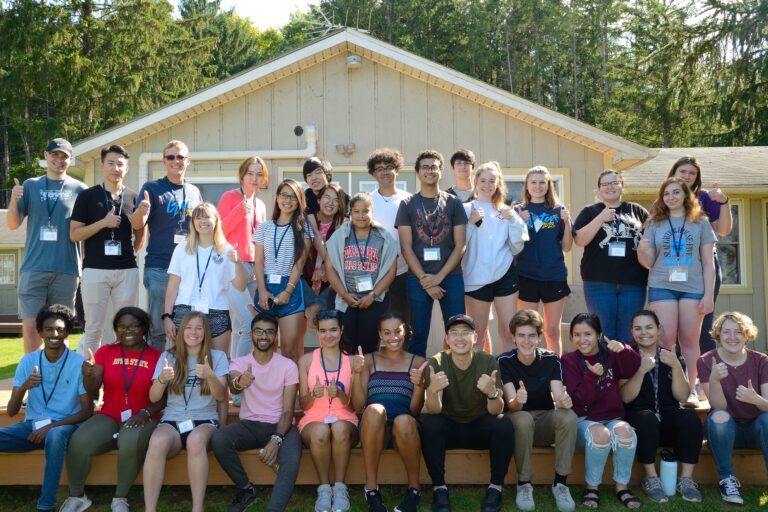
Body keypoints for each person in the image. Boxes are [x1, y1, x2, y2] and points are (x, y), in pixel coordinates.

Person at [60, 307, 163, 512]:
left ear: (144, 328)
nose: (128, 330)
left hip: (144, 417)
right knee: (79, 441)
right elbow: (92, 388)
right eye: (122, 327)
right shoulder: (106, 352)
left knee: (130, 440)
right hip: (110, 415)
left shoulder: (157, 356)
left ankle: (120, 498)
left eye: (134, 326)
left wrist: (145, 413)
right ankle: (78, 496)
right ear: (115, 330)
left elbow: (163, 398)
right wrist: (88, 374)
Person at [0, 305, 92, 512]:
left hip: (65, 428)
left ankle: (46, 505)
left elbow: (87, 412)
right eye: (49, 329)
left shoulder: (79, 363)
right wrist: (24, 387)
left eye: (60, 329)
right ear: (40, 332)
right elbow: (13, 411)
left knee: (55, 436)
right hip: (33, 428)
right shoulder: (28, 361)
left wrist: (50, 428)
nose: (54, 334)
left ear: (67, 332)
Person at [421, 314, 514, 512]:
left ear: (475, 336)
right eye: (454, 333)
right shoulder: (436, 362)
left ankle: (495, 488)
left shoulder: (488, 362)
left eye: (465, 333)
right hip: (449, 427)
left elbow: (496, 409)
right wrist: (432, 390)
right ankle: (439, 488)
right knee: (430, 424)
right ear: (447, 339)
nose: (459, 338)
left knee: (503, 424)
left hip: (478, 426)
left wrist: (492, 392)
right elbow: (434, 409)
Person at [211, 312, 301, 512]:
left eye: (269, 332)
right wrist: (238, 382)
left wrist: (276, 439)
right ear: (251, 334)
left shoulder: (288, 366)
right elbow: (234, 385)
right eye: (259, 331)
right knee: (219, 438)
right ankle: (246, 489)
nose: (264, 336)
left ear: (275, 336)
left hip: (281, 425)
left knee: (292, 459)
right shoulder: (240, 363)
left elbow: (288, 411)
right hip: (249, 425)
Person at [638, 177, 716, 406]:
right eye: (666, 193)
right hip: (662, 285)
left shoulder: (701, 222)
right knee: (665, 341)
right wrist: (642, 251)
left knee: (690, 342)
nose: (671, 197)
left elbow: (708, 263)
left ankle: (691, 390)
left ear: (685, 195)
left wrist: (709, 295)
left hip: (693, 288)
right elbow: (649, 262)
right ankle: (663, 392)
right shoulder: (655, 223)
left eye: (676, 192)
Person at [7, 138, 87, 353]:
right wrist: (14, 201)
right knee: (32, 327)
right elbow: (13, 224)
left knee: (61, 329)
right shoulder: (30, 185)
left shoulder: (80, 189)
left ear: (71, 160)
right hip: (34, 268)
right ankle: (34, 380)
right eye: (54, 155)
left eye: (64, 157)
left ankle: (60, 379)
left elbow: (86, 231)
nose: (59, 160)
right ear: (46, 155)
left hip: (67, 269)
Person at [143, 312, 229, 512]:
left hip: (205, 420)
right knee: (156, 442)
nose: (193, 332)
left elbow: (221, 396)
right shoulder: (168, 357)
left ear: (205, 332)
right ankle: (150, 509)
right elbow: (154, 398)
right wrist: (162, 379)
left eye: (199, 328)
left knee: (195, 440)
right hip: (173, 420)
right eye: (189, 327)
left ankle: (197, 508)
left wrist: (210, 375)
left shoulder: (217, 357)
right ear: (181, 332)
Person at [620, 309, 703, 503]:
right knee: (646, 418)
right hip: (639, 421)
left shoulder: (671, 357)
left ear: (659, 330)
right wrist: (641, 371)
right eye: (638, 328)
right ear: (632, 331)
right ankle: (651, 477)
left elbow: (682, 396)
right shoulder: (626, 357)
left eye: (649, 327)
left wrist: (675, 366)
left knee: (690, 417)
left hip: (667, 417)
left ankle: (686, 479)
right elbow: (625, 397)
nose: (644, 332)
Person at [497, 309, 577, 512]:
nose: (526, 341)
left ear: (539, 337)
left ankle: (561, 483)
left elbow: (558, 397)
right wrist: (518, 400)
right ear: (513, 337)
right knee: (522, 418)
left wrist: (564, 401)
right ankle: (524, 484)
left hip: (543, 420)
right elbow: (512, 405)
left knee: (568, 416)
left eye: (532, 335)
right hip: (518, 420)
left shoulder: (551, 359)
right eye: (521, 335)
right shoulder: (504, 361)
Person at [69, 145, 144, 357]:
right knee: (94, 328)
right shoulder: (88, 196)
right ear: (102, 166)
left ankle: (123, 375)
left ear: (127, 168)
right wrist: (103, 223)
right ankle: (89, 379)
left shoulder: (133, 197)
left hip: (126, 271)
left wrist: (131, 254)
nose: (115, 168)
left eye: (120, 164)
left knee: (127, 326)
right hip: (94, 270)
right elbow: (75, 234)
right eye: (110, 163)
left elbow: (140, 234)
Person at [561, 313, 641, 510]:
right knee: (600, 434)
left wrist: (624, 349)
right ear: (571, 337)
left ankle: (622, 486)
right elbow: (578, 401)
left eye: (588, 334)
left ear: (599, 335)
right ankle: (592, 487)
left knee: (626, 432)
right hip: (584, 421)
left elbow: (633, 367)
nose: (582, 339)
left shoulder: (611, 355)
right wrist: (591, 377)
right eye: (576, 335)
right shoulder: (569, 360)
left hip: (612, 417)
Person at [351, 312, 426, 512]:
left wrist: (419, 386)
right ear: (380, 335)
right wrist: (356, 373)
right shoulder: (368, 360)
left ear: (405, 331)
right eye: (387, 332)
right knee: (374, 409)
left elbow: (415, 410)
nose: (393, 337)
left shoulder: (418, 362)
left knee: (404, 420)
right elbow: (359, 406)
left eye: (397, 331)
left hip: (405, 430)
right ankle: (372, 489)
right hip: (374, 429)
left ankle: (414, 490)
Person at [396, 150, 468, 357]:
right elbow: (406, 248)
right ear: (418, 173)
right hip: (418, 278)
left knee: (457, 332)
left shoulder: (453, 203)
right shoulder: (407, 204)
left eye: (434, 167)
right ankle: (417, 384)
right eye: (425, 167)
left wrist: (438, 278)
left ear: (441, 171)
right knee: (418, 334)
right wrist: (425, 280)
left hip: (451, 277)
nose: (430, 171)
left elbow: (460, 244)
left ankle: (454, 380)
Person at [132, 140, 203, 350]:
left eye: (180, 157)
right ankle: (156, 379)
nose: (176, 161)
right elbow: (137, 224)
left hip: (188, 269)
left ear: (187, 161)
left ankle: (179, 377)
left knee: (185, 327)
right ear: (164, 161)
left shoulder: (193, 191)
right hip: (160, 268)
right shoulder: (152, 188)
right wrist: (141, 212)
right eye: (171, 157)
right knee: (158, 329)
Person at [697, 312, 768, 505]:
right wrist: (715, 380)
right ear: (718, 335)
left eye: (738, 332)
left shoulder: (761, 361)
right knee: (719, 417)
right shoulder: (706, 361)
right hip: (725, 432)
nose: (732, 337)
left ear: (747, 335)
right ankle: (727, 480)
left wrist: (756, 400)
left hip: (756, 430)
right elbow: (718, 407)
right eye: (726, 332)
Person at [573, 170, 648, 344]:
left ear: (622, 186)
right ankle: (605, 371)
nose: (610, 187)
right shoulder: (590, 211)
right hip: (598, 283)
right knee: (603, 334)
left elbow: (651, 241)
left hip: (633, 282)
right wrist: (601, 218)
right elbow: (579, 240)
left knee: (629, 335)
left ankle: (625, 371)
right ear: (599, 189)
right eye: (605, 184)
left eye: (614, 182)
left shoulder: (637, 211)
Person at [667, 156, 732, 354]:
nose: (687, 176)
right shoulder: (664, 198)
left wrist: (724, 202)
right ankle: (677, 380)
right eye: (683, 171)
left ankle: (706, 381)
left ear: (697, 177)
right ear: (674, 173)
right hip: (673, 267)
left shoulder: (705, 198)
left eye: (692, 173)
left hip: (704, 267)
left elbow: (723, 230)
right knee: (674, 327)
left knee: (702, 328)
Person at [164, 202, 248, 355]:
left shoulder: (227, 249)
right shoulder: (182, 248)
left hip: (217, 311)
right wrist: (167, 316)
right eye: (198, 218)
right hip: (185, 310)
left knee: (218, 364)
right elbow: (173, 285)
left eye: (207, 217)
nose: (203, 222)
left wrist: (238, 263)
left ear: (216, 220)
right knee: (184, 363)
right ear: (193, 223)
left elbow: (241, 286)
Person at [297, 310, 360, 512]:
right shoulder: (306, 360)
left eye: (333, 329)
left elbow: (356, 407)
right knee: (321, 431)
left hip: (345, 417)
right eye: (323, 331)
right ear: (317, 333)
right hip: (313, 418)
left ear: (341, 330)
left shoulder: (351, 361)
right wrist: (313, 395)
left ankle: (340, 487)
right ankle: (324, 488)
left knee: (340, 428)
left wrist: (341, 394)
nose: (329, 335)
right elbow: (304, 405)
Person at [463, 162, 527, 354]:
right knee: (478, 336)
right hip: (476, 279)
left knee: (508, 333)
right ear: (475, 182)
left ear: (498, 183)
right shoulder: (465, 209)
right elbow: (458, 245)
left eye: (492, 181)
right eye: (483, 180)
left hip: (505, 275)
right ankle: (480, 381)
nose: (487, 185)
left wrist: (514, 221)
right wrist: (471, 224)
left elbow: (516, 247)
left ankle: (506, 380)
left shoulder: (507, 210)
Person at [326, 192, 398, 354]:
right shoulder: (339, 236)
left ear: (372, 211)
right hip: (344, 298)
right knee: (344, 345)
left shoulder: (384, 237)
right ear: (350, 213)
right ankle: (346, 379)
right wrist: (344, 294)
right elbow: (330, 269)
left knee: (369, 346)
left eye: (365, 211)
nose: (361, 216)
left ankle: (367, 379)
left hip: (374, 300)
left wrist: (372, 296)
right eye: (356, 211)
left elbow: (391, 271)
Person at [253, 179, 313, 363]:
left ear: (299, 200)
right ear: (277, 197)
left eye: (293, 196)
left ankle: (293, 392)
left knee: (289, 350)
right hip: (266, 286)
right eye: (284, 195)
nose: (288, 200)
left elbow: (299, 263)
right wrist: (262, 290)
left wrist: (287, 291)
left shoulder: (304, 228)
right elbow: (258, 261)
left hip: (291, 288)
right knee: (264, 347)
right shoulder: (265, 227)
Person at [515, 166, 573, 355]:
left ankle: (555, 372)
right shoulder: (518, 210)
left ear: (548, 185)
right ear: (527, 185)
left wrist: (567, 222)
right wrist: (519, 223)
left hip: (554, 276)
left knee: (552, 331)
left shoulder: (559, 210)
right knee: (527, 331)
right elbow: (512, 246)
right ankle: (528, 372)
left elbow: (567, 246)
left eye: (542, 182)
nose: (538, 186)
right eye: (533, 182)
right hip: (526, 276)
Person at [216, 156, 269, 359]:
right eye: (250, 174)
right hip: (233, 267)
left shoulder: (261, 204)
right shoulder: (230, 197)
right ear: (242, 175)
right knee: (249, 323)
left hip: (255, 269)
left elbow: (261, 240)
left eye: (259, 174)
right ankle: (239, 376)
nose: (254, 178)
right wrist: (240, 210)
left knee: (239, 326)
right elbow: (218, 232)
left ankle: (235, 383)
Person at [367, 148, 412, 324]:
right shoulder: (366, 200)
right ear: (373, 173)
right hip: (373, 274)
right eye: (380, 168)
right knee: (373, 323)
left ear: (397, 169)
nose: (385, 172)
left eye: (389, 167)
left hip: (404, 272)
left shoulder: (409, 200)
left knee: (404, 323)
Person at [303, 183, 347, 329]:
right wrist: (327, 266)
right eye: (327, 197)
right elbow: (316, 238)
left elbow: (342, 252)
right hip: (307, 276)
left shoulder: (343, 223)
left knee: (343, 282)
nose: (330, 203)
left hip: (328, 283)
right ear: (318, 200)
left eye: (336, 200)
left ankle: (315, 307)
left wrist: (327, 268)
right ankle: (312, 309)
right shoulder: (310, 218)